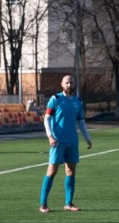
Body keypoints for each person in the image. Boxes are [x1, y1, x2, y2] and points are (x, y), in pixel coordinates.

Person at [39, 75, 92, 213]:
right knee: (52, 171)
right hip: (58, 141)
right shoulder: (55, 99)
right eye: (67, 82)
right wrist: (50, 136)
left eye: (72, 83)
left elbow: (81, 121)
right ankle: (43, 204)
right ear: (62, 84)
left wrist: (87, 138)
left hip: (72, 141)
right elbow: (47, 120)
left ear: (74, 85)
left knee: (71, 171)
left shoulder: (78, 101)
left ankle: (68, 203)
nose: (69, 85)